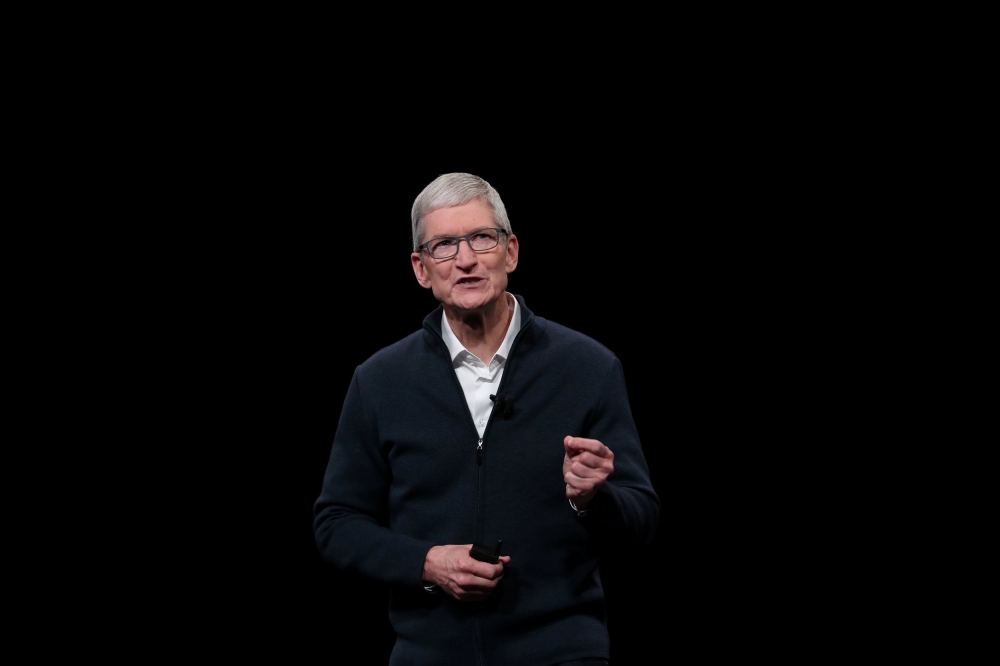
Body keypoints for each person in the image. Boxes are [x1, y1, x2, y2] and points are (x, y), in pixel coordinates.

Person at [314, 172, 659, 665]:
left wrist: (593, 500)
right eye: (444, 246)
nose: (466, 259)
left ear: (511, 252)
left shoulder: (588, 367)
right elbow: (336, 523)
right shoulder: (379, 381)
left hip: (561, 652)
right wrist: (427, 563)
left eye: (482, 238)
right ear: (420, 268)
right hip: (429, 654)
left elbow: (641, 521)